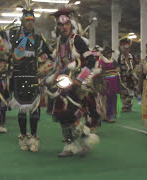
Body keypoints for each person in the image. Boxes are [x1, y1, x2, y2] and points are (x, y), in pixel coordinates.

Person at [46, 9, 100, 157]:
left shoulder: (77, 40)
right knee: (61, 114)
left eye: (66, 24)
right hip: (63, 82)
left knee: (70, 114)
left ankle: (85, 138)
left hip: (77, 83)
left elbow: (91, 61)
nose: (64, 27)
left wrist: (79, 80)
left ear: (71, 24)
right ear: (57, 26)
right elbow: (57, 63)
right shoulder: (59, 43)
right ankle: (70, 145)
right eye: (60, 25)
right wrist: (49, 77)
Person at [8, 3, 53, 152]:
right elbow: (8, 54)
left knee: (34, 111)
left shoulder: (39, 40)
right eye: (27, 20)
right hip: (18, 77)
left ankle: (33, 138)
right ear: (22, 21)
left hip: (34, 78)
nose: (29, 23)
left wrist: (43, 68)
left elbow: (50, 57)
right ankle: (23, 138)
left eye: (32, 21)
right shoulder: (14, 36)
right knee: (21, 111)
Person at [99, 47, 119, 123]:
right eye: (108, 53)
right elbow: (102, 71)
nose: (110, 54)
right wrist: (113, 71)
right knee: (105, 99)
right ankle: (105, 116)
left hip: (114, 82)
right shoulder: (102, 61)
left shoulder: (113, 60)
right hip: (106, 82)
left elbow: (118, 69)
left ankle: (109, 115)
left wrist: (111, 71)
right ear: (105, 53)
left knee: (112, 98)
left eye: (110, 53)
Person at [117, 38, 137, 112]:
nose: (125, 51)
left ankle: (129, 105)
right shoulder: (119, 58)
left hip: (131, 77)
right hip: (122, 77)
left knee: (131, 91)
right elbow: (117, 67)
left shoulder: (132, 57)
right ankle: (124, 105)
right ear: (121, 49)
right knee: (123, 92)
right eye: (124, 49)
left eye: (127, 49)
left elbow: (136, 65)